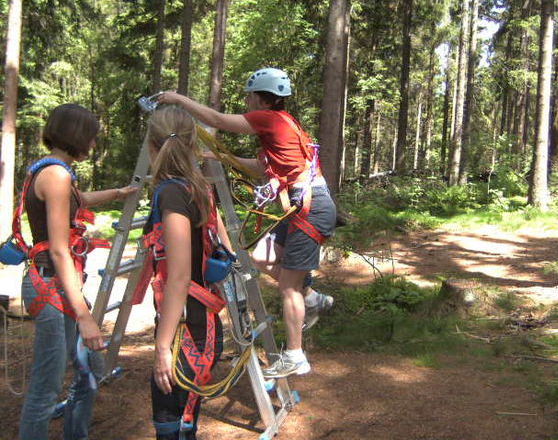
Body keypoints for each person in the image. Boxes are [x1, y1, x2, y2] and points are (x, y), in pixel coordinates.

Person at [158, 67, 337, 379]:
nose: (246, 101)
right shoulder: (284, 126)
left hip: (310, 208)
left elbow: (216, 121)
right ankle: (312, 298)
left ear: (258, 97)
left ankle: (296, 355)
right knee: (262, 257)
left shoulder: (268, 118)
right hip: (299, 207)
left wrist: (178, 99)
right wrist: (221, 158)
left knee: (288, 287)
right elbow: (261, 168)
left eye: (248, 96)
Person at [18, 103, 137, 440]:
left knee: (89, 373)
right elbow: (58, 249)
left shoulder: (55, 171)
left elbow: (78, 198)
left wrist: (118, 193)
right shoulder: (55, 176)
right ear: (79, 136)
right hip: (50, 287)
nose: (94, 145)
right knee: (47, 388)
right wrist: (84, 316)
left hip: (59, 286)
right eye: (92, 138)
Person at [142, 105, 230, 440]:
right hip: (199, 323)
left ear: (153, 147)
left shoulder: (172, 193)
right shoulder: (198, 188)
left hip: (186, 331)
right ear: (193, 145)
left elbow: (178, 276)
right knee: (183, 423)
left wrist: (162, 346)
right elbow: (224, 248)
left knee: (171, 424)